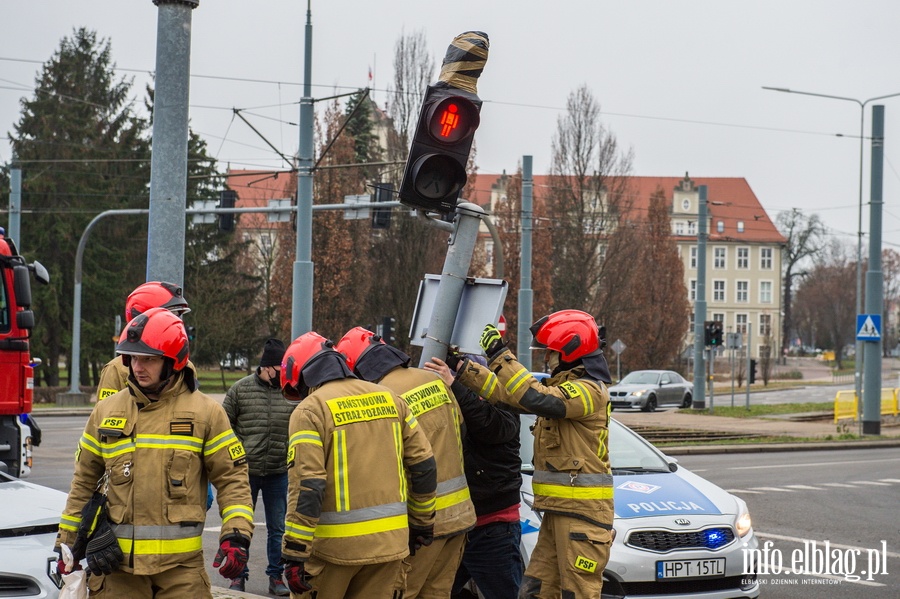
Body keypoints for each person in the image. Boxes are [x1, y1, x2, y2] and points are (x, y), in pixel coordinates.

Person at [54, 307, 255, 598]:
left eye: (148, 359)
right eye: (133, 357)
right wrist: (67, 544)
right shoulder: (106, 411)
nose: (138, 366)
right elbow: (84, 482)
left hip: (182, 574)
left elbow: (232, 479)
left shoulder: (206, 413)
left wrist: (236, 534)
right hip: (117, 571)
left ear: (173, 362)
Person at [450, 310, 613, 598]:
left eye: (550, 352)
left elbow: (534, 397)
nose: (546, 358)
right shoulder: (562, 387)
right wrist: (462, 369)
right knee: (536, 591)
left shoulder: (589, 391)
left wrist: (501, 355)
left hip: (582, 517)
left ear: (569, 352)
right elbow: (506, 394)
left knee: (579, 592)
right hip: (559, 512)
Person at [279, 332, 438, 598]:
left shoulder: (310, 410)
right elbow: (424, 466)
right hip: (390, 548)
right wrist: (421, 524)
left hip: (333, 553)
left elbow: (308, 485)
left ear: (304, 375)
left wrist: (295, 550)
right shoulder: (390, 398)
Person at [336, 327, 476, 599]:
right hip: (460, 518)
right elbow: (460, 427)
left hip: (422, 526)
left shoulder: (382, 398)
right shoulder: (432, 380)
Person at [423, 354, 525, 599]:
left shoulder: (504, 404)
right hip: (456, 526)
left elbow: (490, 425)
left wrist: (456, 385)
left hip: (492, 527)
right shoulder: (453, 404)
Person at [222, 338, 293, 596]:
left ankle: (276, 578)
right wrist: (239, 450)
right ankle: (238, 577)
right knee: (241, 527)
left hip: (278, 472)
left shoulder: (289, 391)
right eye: (278, 369)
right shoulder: (240, 390)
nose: (282, 375)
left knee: (278, 529)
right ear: (265, 367)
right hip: (245, 473)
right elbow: (222, 424)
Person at [96, 281, 192, 401]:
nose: (174, 323)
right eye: (168, 316)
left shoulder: (184, 365)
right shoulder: (116, 370)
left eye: (176, 317)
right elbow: (106, 413)